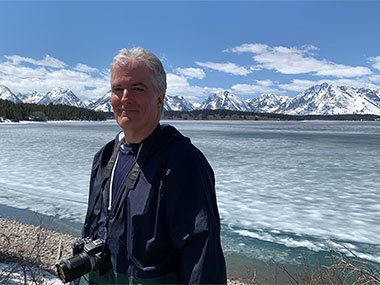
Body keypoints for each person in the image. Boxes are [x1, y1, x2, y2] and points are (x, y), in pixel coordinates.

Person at [80, 47, 227, 284]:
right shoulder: (105, 157)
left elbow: (202, 254)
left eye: (137, 89)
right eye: (118, 89)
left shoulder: (182, 162)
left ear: (160, 98)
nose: (125, 98)